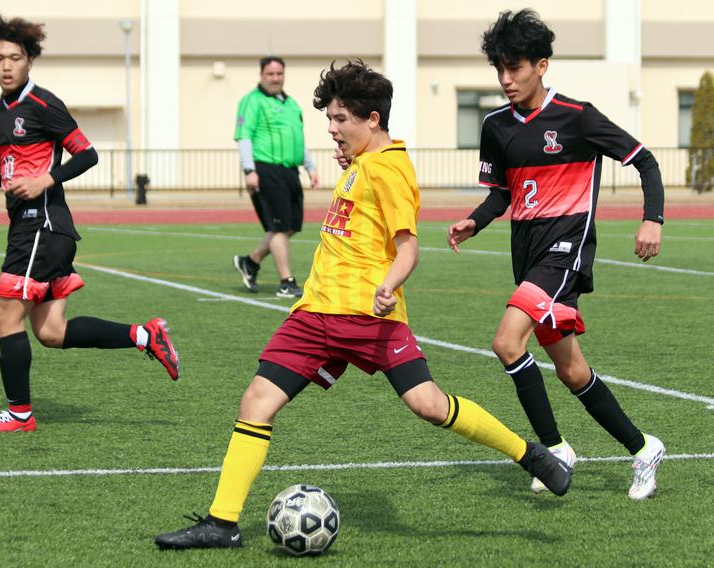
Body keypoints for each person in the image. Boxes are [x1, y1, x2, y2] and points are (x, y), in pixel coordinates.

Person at [155, 60, 572, 550]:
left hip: (366, 316)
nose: (331, 130)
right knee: (257, 401)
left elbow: (408, 246)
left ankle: (531, 455)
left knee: (429, 405)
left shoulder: (391, 169)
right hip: (314, 314)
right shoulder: (364, 163)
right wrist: (354, 164)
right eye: (329, 120)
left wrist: (387, 286)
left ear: (372, 119)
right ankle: (222, 523)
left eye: (340, 120)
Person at [446, 9, 666, 500]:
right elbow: (502, 194)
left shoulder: (578, 117)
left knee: (507, 341)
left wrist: (653, 217)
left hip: (565, 254)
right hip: (527, 257)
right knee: (572, 371)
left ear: (542, 65)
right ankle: (643, 446)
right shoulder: (496, 126)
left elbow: (645, 160)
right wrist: (475, 220)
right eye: (499, 69)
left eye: (516, 68)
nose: (506, 79)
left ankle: (553, 448)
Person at [0, 15, 179, 434]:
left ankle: (20, 414)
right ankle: (144, 335)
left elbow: (86, 154)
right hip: (35, 228)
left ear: (30, 61)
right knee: (51, 331)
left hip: (41, 226)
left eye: (15, 57)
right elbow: (13, 167)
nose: (6, 65)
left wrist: (47, 179)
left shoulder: (44, 104)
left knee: (4, 318)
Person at [232, 56, 320, 298]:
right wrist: (249, 170)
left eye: (279, 74)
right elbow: (244, 135)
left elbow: (297, 138)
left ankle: (251, 261)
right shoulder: (252, 101)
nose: (275, 78)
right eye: (270, 74)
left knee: (290, 225)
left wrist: (310, 166)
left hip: (290, 171)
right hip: (266, 169)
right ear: (262, 75)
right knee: (278, 227)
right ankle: (286, 281)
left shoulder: (291, 104)